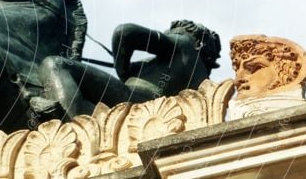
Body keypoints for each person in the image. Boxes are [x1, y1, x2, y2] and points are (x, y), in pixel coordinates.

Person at [30, 20, 221, 121]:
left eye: (169, 32)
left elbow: (125, 32)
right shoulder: (199, 74)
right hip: (151, 109)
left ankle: (76, 127)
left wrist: (121, 69)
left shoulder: (184, 43)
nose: (166, 35)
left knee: (55, 64)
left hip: (136, 98)